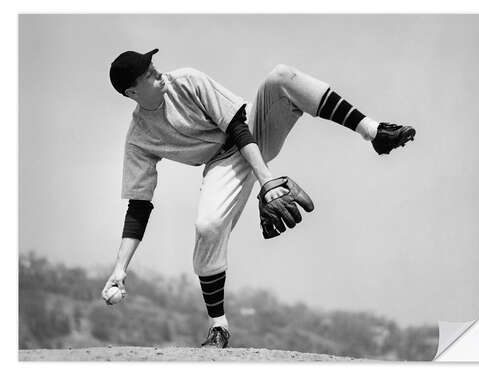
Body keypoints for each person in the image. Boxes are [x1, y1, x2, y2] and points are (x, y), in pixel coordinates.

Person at [102, 48, 416, 349]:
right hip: (222, 164)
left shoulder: (186, 80)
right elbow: (138, 207)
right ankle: (218, 327)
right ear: (132, 92)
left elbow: (238, 128)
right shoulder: (139, 138)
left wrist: (266, 181)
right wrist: (120, 269)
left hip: (253, 128)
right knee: (207, 226)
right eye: (147, 72)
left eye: (152, 65)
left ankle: (374, 132)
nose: (156, 70)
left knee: (280, 77)